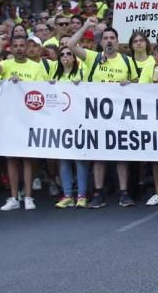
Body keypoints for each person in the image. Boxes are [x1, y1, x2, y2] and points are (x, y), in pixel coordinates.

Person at [69, 22, 138, 208]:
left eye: (112, 38)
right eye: (105, 38)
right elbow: (70, 45)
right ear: (100, 42)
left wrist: (129, 83)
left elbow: (138, 84)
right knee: (99, 155)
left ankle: (124, 193)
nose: (109, 41)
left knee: (121, 155)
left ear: (117, 42)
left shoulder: (127, 60)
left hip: (121, 116)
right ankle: (98, 193)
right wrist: (85, 27)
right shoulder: (93, 57)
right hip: (97, 115)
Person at [0, 35, 48, 210]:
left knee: (27, 158)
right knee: (11, 158)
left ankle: (29, 196)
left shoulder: (37, 66)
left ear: (27, 47)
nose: (18, 48)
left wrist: (22, 83)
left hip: (28, 118)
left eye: (21, 45)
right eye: (15, 46)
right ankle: (13, 197)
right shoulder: (7, 64)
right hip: (9, 118)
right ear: (11, 48)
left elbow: (42, 90)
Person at [52, 44, 91, 208]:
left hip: (80, 121)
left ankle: (82, 195)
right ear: (59, 59)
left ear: (74, 57)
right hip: (61, 122)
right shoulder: (55, 74)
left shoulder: (82, 72)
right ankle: (67, 195)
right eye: (62, 55)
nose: (66, 57)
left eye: (69, 54)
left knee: (80, 159)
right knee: (64, 159)